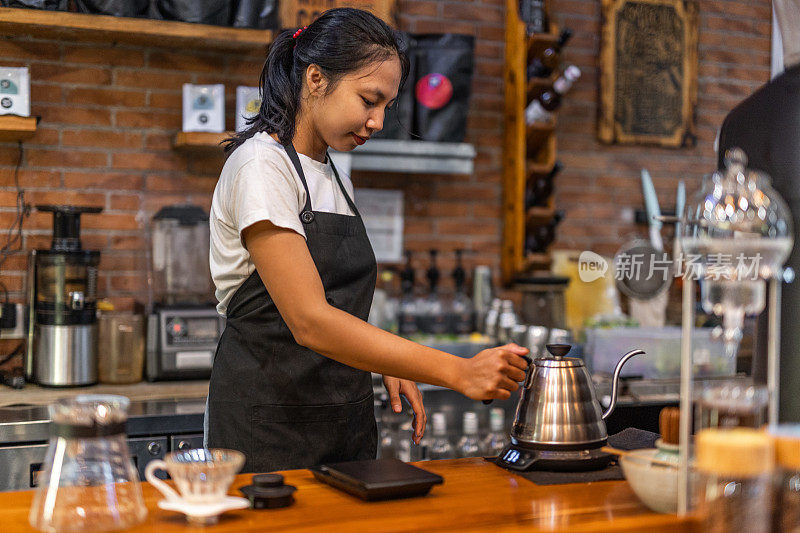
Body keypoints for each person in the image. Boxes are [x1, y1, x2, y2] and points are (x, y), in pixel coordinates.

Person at [206, 7, 529, 473]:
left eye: (386, 108)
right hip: (266, 427)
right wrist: (455, 371)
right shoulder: (262, 166)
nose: (377, 121)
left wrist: (387, 359)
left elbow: (339, 304)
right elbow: (310, 321)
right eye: (368, 100)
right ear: (315, 78)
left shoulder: (335, 177)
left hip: (343, 421)